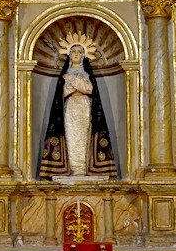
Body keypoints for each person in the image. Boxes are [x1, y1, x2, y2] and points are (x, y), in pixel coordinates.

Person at [39, 37, 117, 179]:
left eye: (79, 52)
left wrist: (73, 81)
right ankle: (73, 168)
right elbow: (63, 92)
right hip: (70, 108)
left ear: (83, 56)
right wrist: (76, 83)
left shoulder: (85, 74)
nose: (76, 54)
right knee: (70, 136)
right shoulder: (65, 75)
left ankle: (83, 168)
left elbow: (89, 89)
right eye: (73, 51)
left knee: (84, 136)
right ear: (69, 55)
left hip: (84, 107)